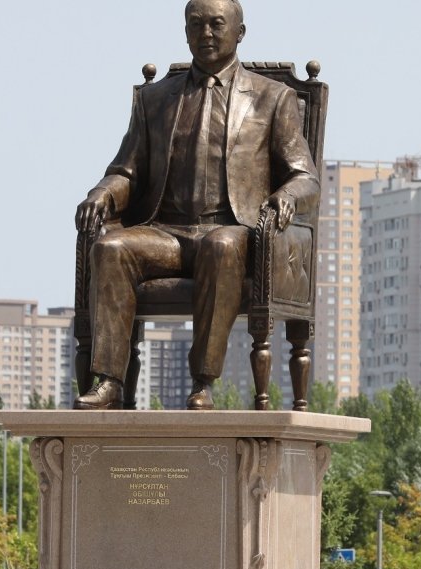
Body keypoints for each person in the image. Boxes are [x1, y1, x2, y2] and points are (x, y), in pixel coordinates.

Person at [73, 0, 319, 410]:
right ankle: (110, 382)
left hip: (234, 233)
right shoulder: (155, 101)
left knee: (219, 246)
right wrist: (102, 192)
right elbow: (126, 172)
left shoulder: (272, 98)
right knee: (110, 248)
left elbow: (305, 177)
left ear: (239, 32)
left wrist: (285, 198)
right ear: (185, 32)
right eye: (196, 25)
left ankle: (202, 381)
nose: (206, 33)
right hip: (165, 233)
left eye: (216, 24)